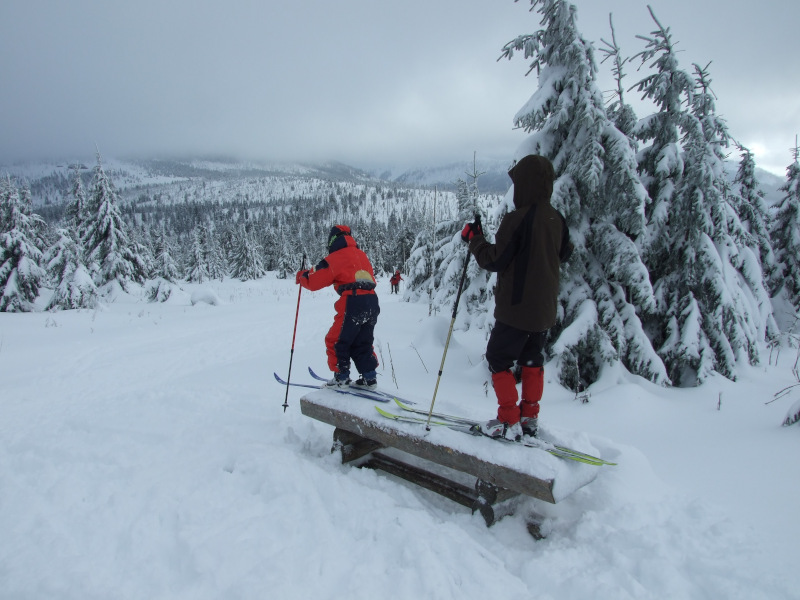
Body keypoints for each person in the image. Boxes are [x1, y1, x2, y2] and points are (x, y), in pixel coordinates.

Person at [461, 155, 572, 441]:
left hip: (516, 309)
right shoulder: (556, 218)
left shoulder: (517, 219)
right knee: (532, 359)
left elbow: (494, 261)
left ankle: (508, 419)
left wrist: (475, 239)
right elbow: (564, 253)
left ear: (527, 183)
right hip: (544, 310)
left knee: (498, 357)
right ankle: (529, 418)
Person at [296, 225, 380, 390]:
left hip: (353, 302)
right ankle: (369, 377)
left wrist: (302, 276)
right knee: (362, 341)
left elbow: (315, 280)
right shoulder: (361, 255)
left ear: (332, 241)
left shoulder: (336, 257)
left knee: (336, 340)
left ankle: (341, 377)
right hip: (372, 301)